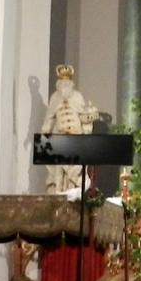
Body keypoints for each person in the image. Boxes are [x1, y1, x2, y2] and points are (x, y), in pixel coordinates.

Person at [40, 64, 99, 194]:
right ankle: (58, 193)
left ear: (71, 83)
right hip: (59, 138)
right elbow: (50, 117)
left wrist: (89, 120)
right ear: (59, 83)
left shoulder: (77, 96)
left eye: (67, 82)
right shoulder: (55, 98)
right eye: (62, 82)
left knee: (74, 171)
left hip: (75, 138)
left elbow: (83, 116)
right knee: (58, 170)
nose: (65, 84)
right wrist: (45, 132)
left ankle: (74, 192)